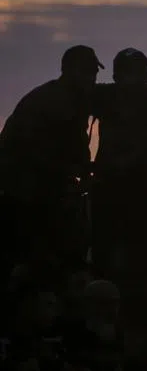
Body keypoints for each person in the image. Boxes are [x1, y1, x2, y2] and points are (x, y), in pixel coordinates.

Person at [0, 45, 102, 261]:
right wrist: (76, 172)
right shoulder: (55, 102)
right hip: (23, 194)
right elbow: (32, 153)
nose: (92, 78)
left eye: (93, 72)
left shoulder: (69, 98)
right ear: (70, 70)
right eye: (87, 71)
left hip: (32, 189)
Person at [91, 48, 147, 274]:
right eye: (132, 72)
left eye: (140, 71)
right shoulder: (106, 99)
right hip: (113, 186)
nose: (138, 77)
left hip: (142, 188)